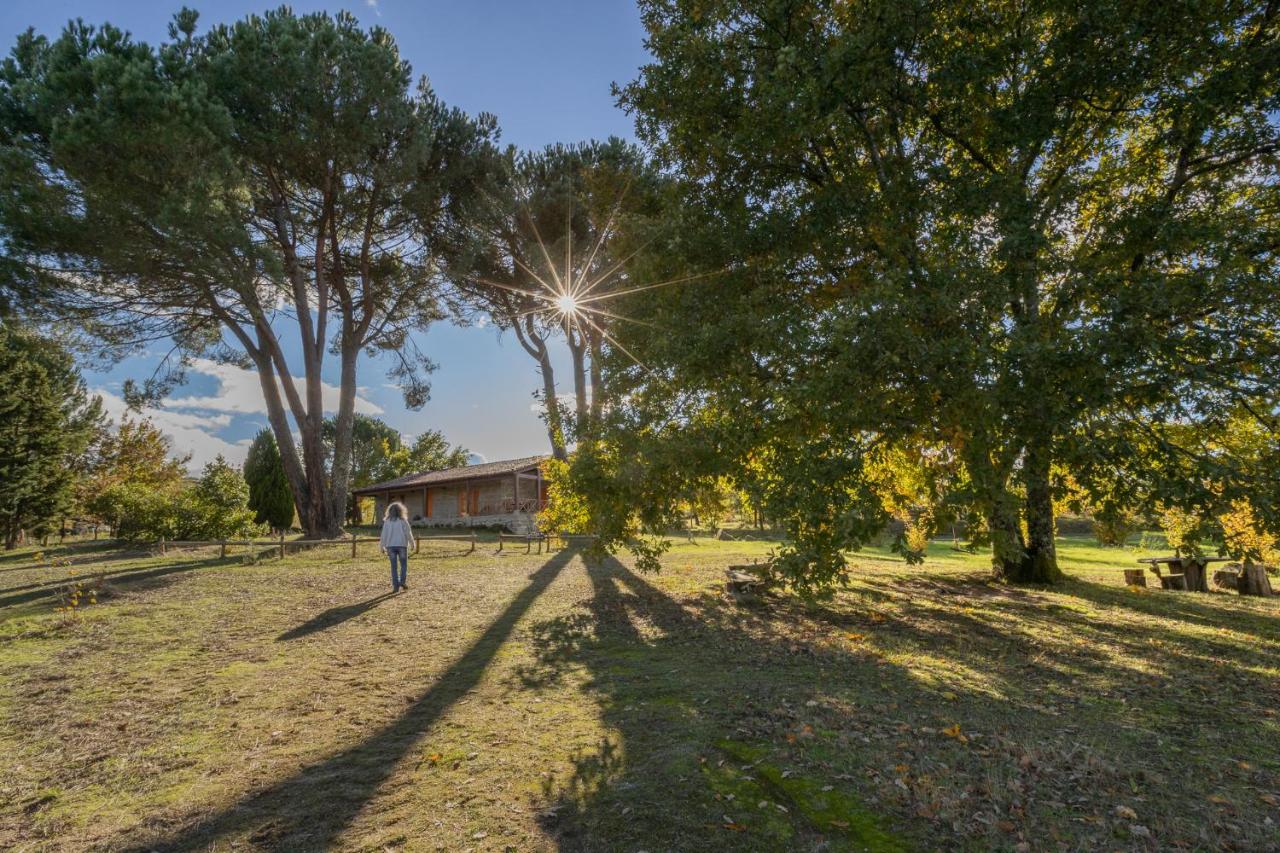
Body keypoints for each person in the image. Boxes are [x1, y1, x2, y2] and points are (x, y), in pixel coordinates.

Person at [379, 501, 415, 592]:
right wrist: (412, 543)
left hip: (390, 546)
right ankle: (402, 581)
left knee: (393, 567)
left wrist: (381, 546)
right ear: (401, 510)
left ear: (389, 511)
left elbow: (383, 535)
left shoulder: (387, 522)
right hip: (402, 545)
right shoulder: (403, 521)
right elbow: (408, 533)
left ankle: (396, 586)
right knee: (403, 565)